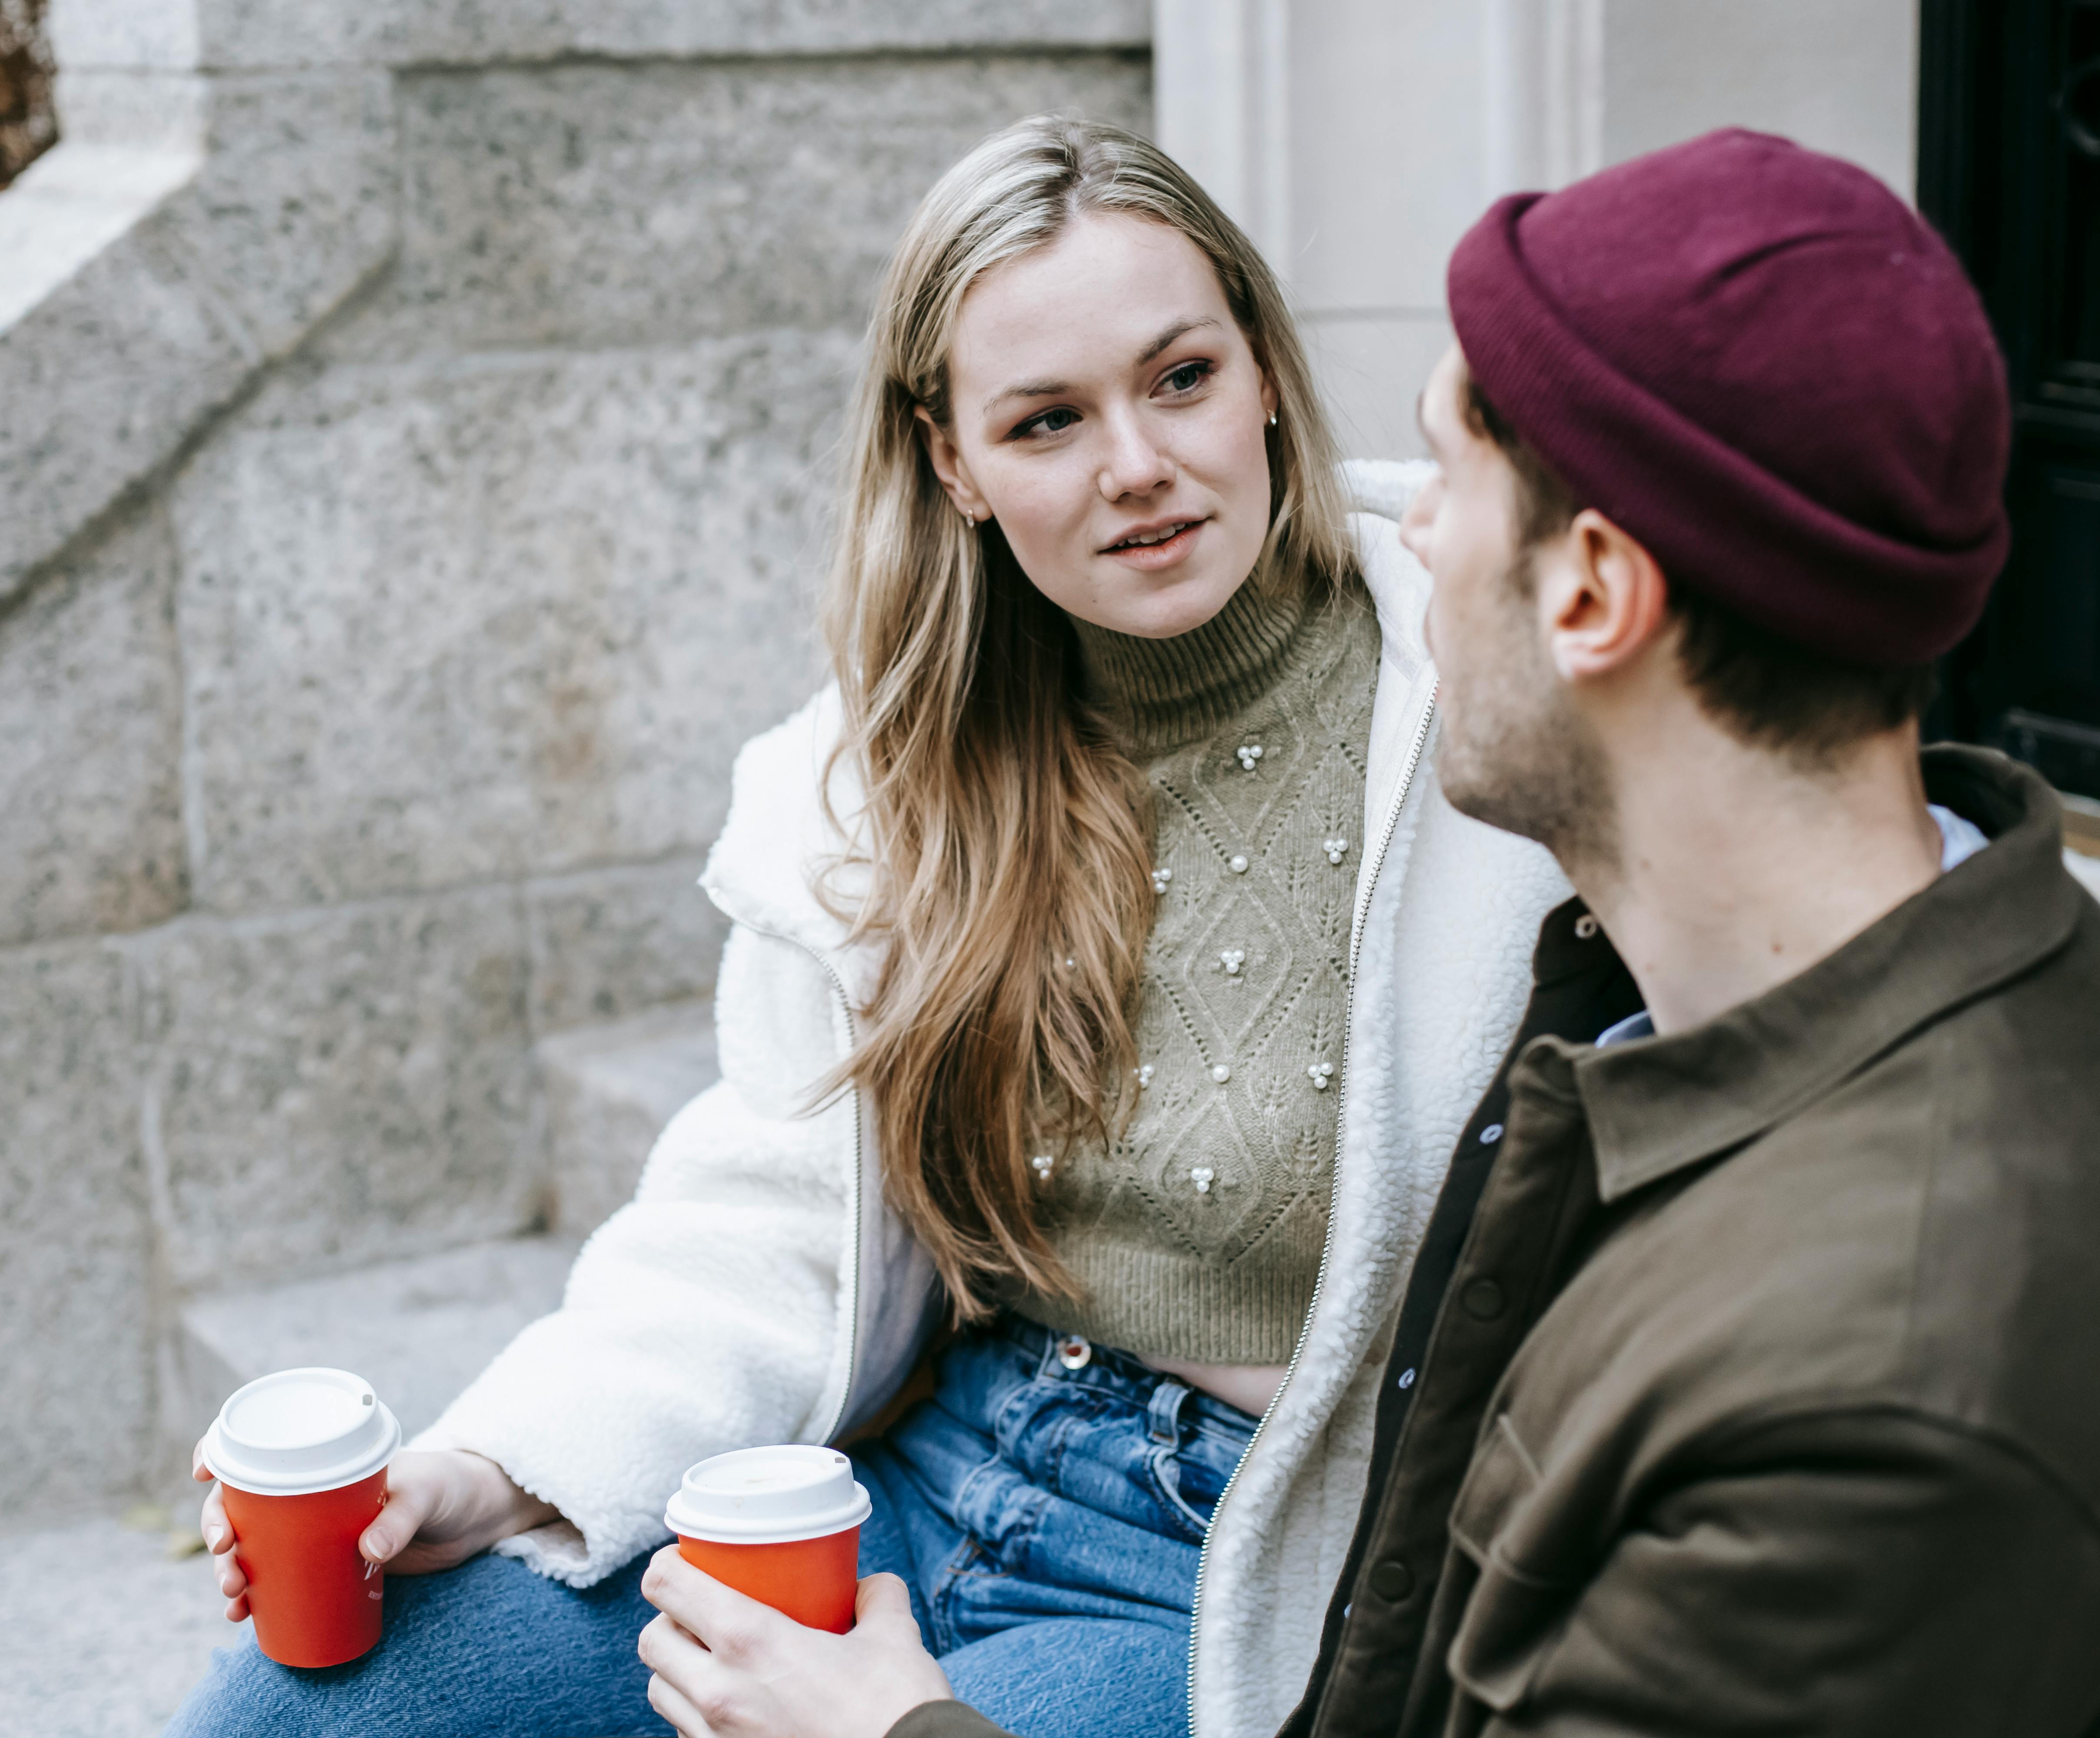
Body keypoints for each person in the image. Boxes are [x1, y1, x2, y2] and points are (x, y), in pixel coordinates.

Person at [643, 129, 2100, 1738]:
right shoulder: (1755, 991)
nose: (1402, 529)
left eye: (1451, 471)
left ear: (1594, 596)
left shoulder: (1876, 1392)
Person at [165, 116, 1571, 1738]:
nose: (1137, 463)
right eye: (1047, 419)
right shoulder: (884, 774)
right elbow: (767, 1212)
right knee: (309, 1710)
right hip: (901, 1488)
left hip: (1239, 1563)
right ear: (955, 462)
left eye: (1179, 377)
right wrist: (491, 1468)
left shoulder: (1489, 693)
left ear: (1263, 365)